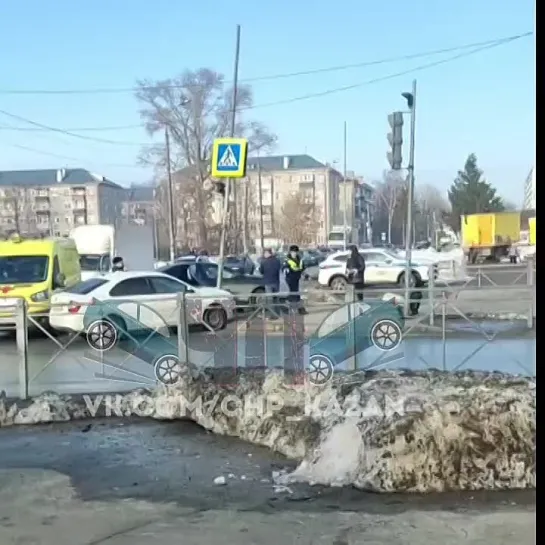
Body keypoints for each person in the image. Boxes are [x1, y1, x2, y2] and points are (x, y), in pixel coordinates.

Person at [282, 245, 307, 315]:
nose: (294, 253)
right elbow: (284, 268)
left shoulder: (299, 259)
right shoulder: (287, 260)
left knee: (297, 294)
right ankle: (289, 309)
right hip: (290, 279)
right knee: (292, 294)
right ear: (290, 252)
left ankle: (299, 309)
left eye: (295, 252)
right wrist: (285, 270)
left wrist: (305, 275)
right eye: (293, 252)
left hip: (297, 278)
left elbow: (302, 269)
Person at [259, 248, 281, 318]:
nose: (264, 255)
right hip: (276, 282)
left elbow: (261, 271)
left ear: (268, 253)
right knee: (276, 299)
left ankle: (273, 315)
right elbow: (279, 269)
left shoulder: (263, 262)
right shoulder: (277, 261)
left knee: (270, 300)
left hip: (268, 282)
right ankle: (278, 314)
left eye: (265, 253)